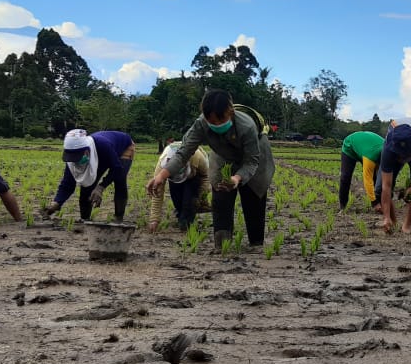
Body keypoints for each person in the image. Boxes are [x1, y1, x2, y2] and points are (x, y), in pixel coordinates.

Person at [146, 89, 275, 250]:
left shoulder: (246, 126)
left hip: (255, 157)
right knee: (220, 197)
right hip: (223, 156)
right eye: (210, 121)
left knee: (253, 197)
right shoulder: (201, 123)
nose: (216, 124)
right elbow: (184, 152)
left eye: (220, 120)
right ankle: (222, 246)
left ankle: (256, 245)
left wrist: (237, 178)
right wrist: (161, 176)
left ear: (230, 112)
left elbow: (251, 161)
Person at [43, 129, 136, 222]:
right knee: (87, 185)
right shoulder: (71, 161)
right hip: (101, 154)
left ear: (86, 151)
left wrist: (101, 187)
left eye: (77, 157)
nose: (74, 161)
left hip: (123, 147)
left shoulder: (103, 145)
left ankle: (118, 218)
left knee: (120, 179)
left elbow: (117, 169)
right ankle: (85, 219)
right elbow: (67, 184)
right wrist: (57, 203)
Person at [378, 118, 411, 234]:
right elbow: (386, 186)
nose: (403, 159)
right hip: (394, 145)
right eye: (400, 156)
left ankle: (406, 226)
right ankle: (392, 221)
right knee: (379, 189)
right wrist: (385, 216)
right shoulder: (390, 147)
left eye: (405, 155)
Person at [147, 141, 210, 232]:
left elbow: (206, 176)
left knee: (190, 201)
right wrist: (154, 219)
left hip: (194, 175)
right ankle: (181, 214)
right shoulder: (162, 164)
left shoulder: (197, 156)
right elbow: (157, 193)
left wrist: (202, 196)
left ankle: (186, 223)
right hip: (173, 179)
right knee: (177, 200)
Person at [338, 130, 385, 213]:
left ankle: (381, 202)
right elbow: (367, 180)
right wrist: (374, 202)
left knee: (376, 177)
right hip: (350, 147)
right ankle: (343, 206)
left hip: (366, 146)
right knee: (345, 176)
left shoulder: (388, 150)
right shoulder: (370, 157)